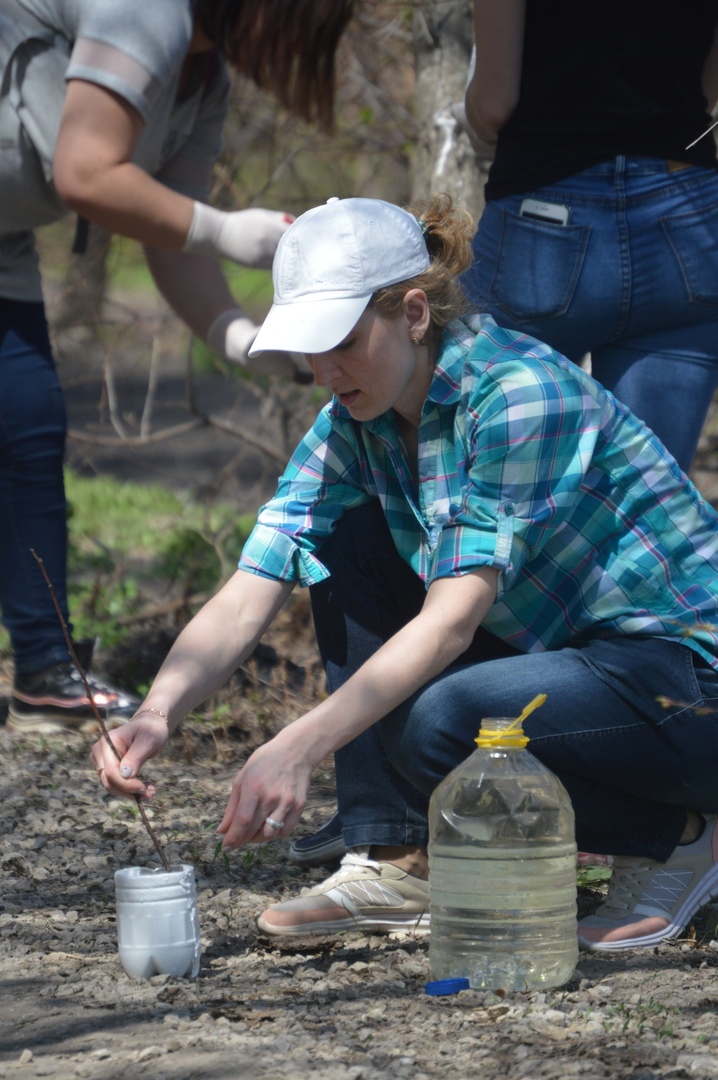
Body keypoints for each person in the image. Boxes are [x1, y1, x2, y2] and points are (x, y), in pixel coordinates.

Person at [91, 194, 718, 953]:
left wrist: (298, 745)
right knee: (346, 535)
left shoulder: (517, 396)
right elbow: (260, 573)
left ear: (414, 314)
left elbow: (452, 621)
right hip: (585, 661)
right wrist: (158, 713)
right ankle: (397, 855)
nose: (324, 371)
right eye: (308, 349)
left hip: (683, 683)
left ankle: (680, 837)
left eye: (342, 342)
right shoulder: (361, 417)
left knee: (448, 725)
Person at [0, 0, 353, 733]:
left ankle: (44, 674)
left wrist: (241, 340)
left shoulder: (202, 77)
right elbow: (87, 173)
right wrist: (230, 232)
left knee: (28, 425)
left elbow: (166, 227)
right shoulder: (146, 10)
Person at [458, 0, 718, 477]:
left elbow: (495, 103)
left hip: (545, 222)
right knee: (647, 515)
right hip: (686, 223)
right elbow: (706, 93)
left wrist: (469, 115)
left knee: (482, 483)